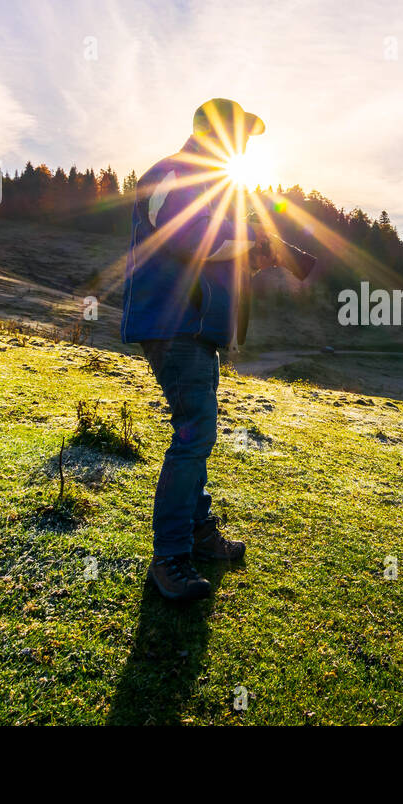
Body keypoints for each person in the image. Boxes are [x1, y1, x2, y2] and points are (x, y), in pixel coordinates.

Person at [121, 98, 287, 601]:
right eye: (238, 136)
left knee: (196, 432)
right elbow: (187, 239)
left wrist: (251, 258)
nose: (242, 147)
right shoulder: (171, 174)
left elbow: (213, 257)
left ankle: (197, 534)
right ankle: (170, 557)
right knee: (193, 438)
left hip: (198, 328)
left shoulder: (211, 187)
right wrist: (249, 236)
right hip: (174, 326)